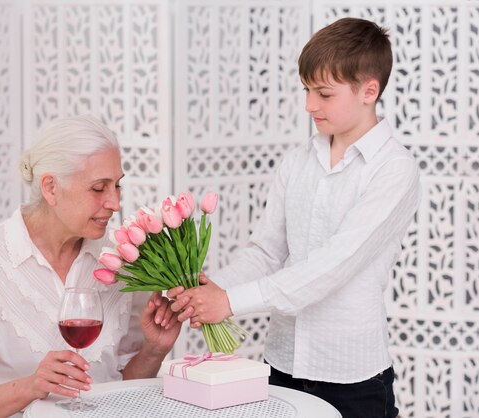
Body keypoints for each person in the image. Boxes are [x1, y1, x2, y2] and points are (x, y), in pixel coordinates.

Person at [168, 17, 420, 418]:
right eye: (306, 90)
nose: (309, 105)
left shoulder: (394, 170)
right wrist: (210, 289)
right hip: (280, 367)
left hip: (353, 379)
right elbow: (265, 251)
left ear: (368, 91)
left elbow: (332, 266)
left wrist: (229, 302)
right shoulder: (298, 161)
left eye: (323, 93)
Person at [0, 115, 181, 418]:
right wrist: (31, 387)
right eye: (98, 188)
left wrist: (154, 349)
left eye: (117, 185)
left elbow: (124, 392)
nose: (115, 203)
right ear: (50, 188)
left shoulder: (121, 263)